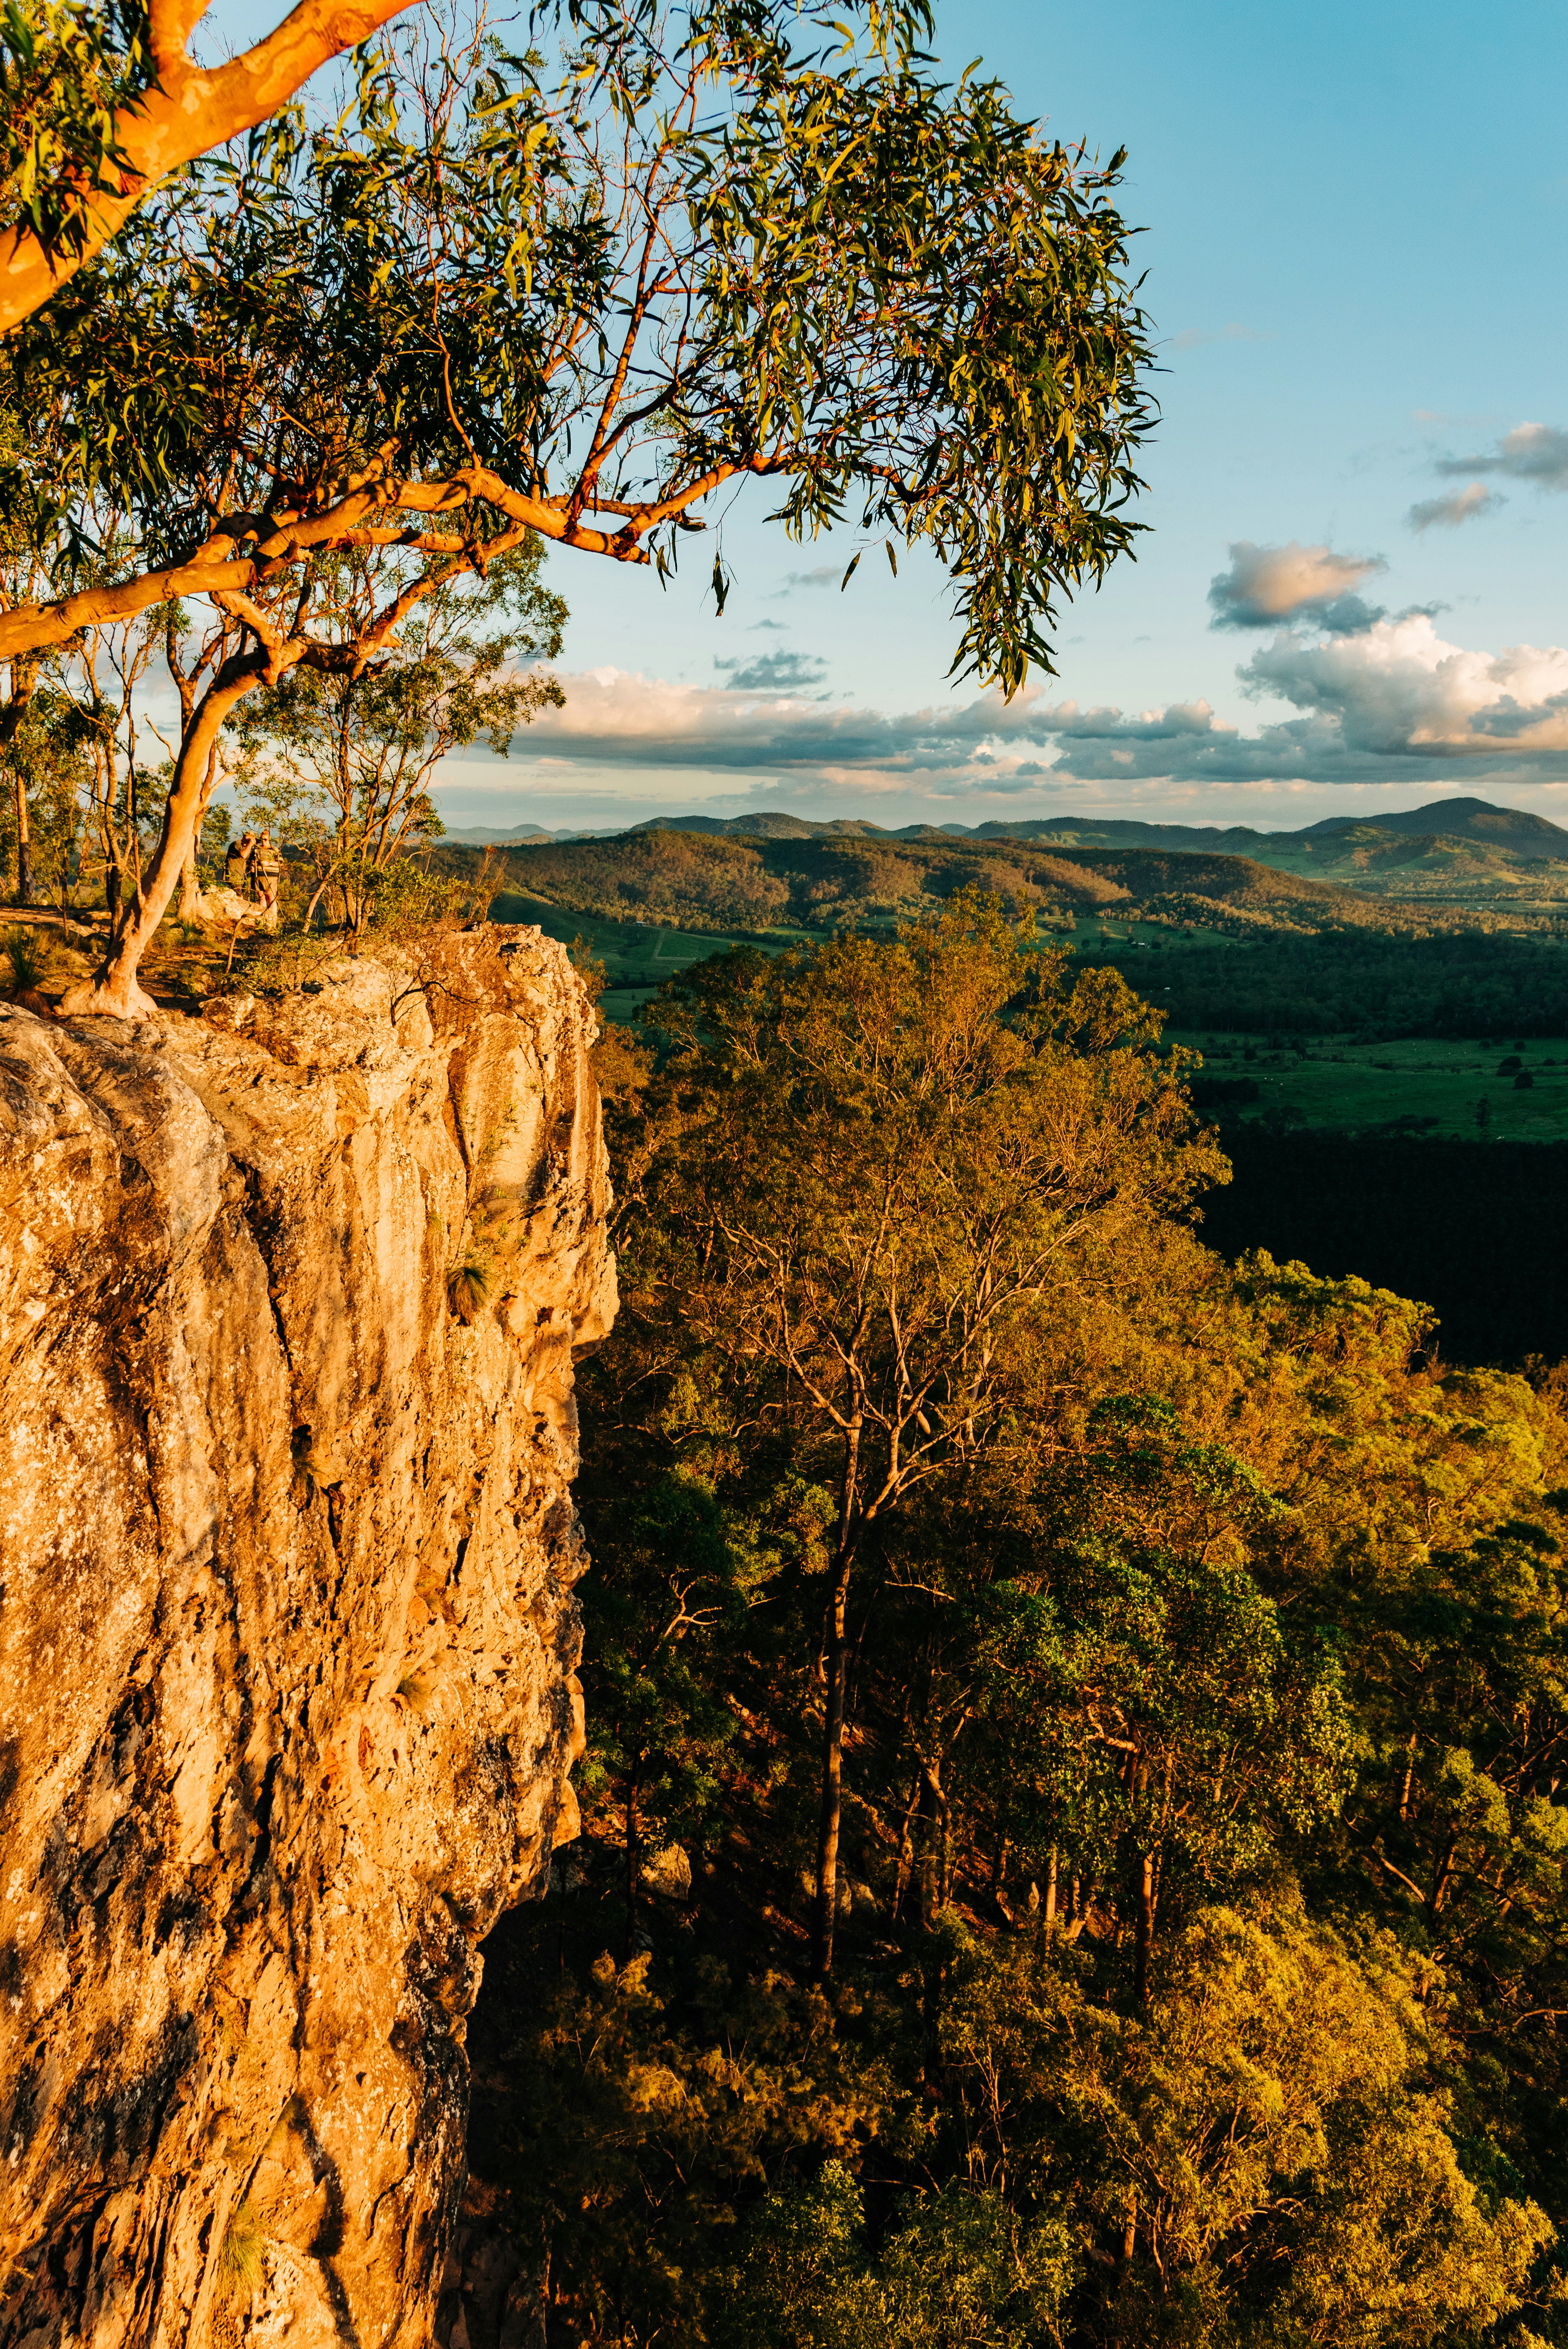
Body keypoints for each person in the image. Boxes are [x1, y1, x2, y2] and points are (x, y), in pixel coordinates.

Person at [254, 829, 282, 915]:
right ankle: (262, 917)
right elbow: (251, 861)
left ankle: (273, 918)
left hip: (271, 879)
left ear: (269, 840)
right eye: (262, 839)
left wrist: (269, 864)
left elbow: (280, 863)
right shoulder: (256, 849)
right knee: (262, 898)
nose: (263, 841)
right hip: (258, 878)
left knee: (271, 899)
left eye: (265, 839)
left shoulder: (275, 850)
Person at [225, 832, 250, 897]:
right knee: (239, 896)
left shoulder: (246, 847)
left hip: (239, 876)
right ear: (244, 838)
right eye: (249, 839)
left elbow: (245, 861)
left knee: (238, 895)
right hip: (234, 876)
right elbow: (243, 855)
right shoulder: (237, 844)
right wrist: (250, 845)